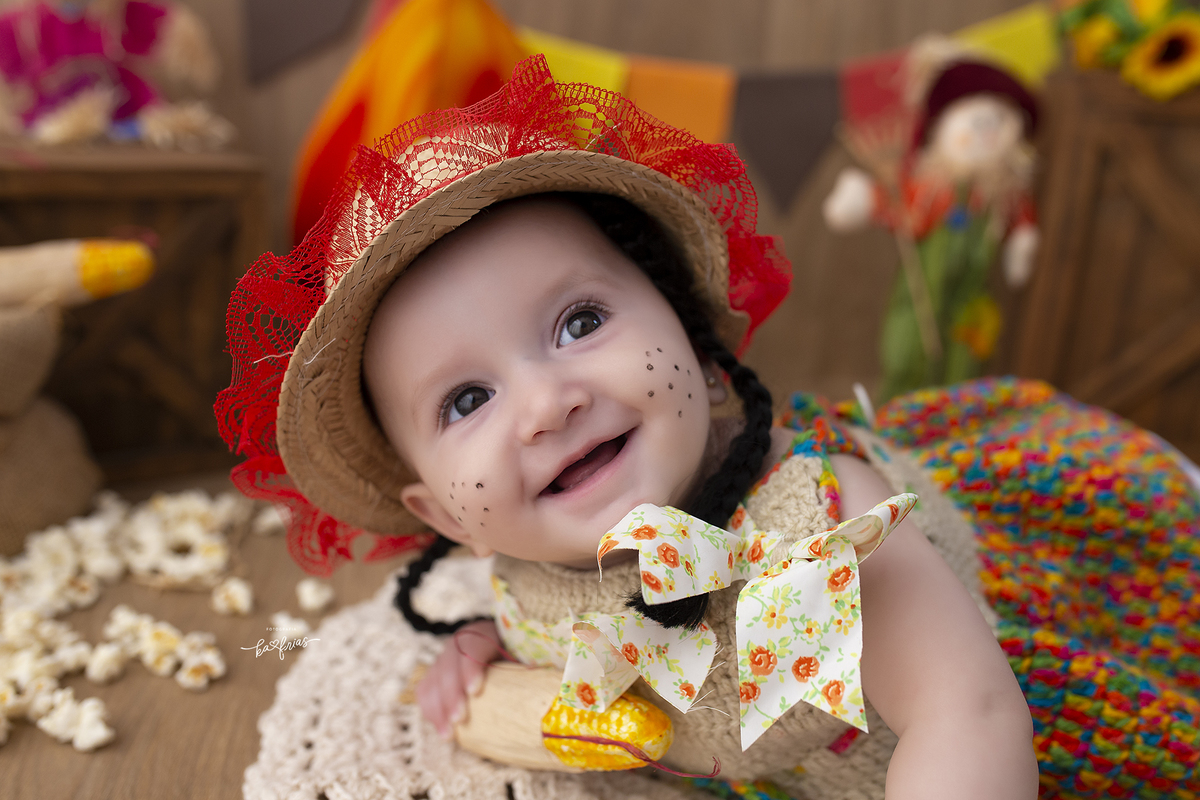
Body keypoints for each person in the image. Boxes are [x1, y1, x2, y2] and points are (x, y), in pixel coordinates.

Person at [217, 55, 1199, 798]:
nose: (548, 401)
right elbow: (588, 628)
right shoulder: (532, 571)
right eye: (466, 400)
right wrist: (489, 646)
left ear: (686, 334)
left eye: (579, 322)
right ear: (447, 514)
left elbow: (968, 710)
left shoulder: (828, 537)